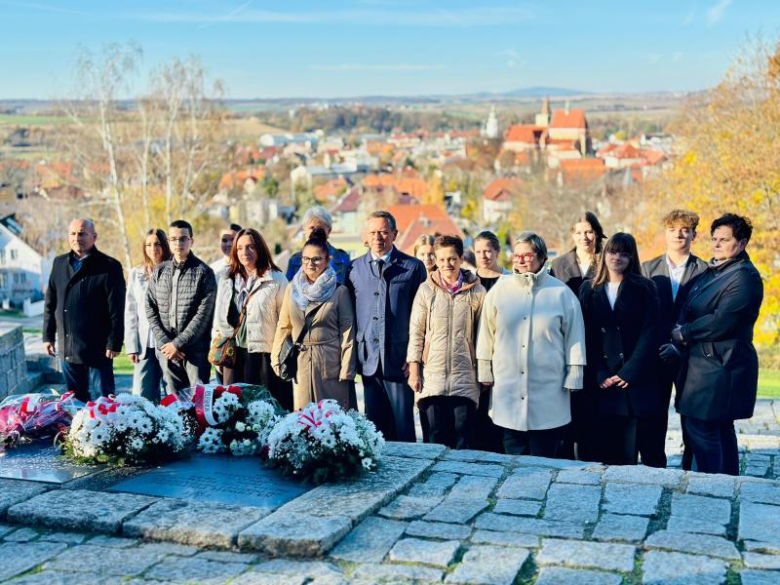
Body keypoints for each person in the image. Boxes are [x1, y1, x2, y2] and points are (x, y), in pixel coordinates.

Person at [477, 231, 586, 457]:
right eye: (516, 256)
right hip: (508, 387)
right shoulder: (500, 290)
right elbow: (486, 333)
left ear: (541, 257)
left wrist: (575, 372)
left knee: (544, 457)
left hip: (548, 389)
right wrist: (484, 369)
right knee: (511, 456)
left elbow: (574, 336)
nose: (520, 260)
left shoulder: (561, 294)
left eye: (526, 255)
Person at [670, 213, 763, 475]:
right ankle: (726, 486)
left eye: (725, 239)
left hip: (720, 366)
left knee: (705, 431)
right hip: (705, 365)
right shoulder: (714, 272)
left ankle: (713, 490)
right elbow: (690, 307)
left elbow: (722, 321)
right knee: (714, 430)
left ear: (742, 243)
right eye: (714, 239)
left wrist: (683, 332)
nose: (717, 244)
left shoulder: (744, 277)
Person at [580, 233, 661, 465]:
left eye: (624, 254)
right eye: (613, 252)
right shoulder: (589, 289)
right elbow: (586, 335)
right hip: (601, 381)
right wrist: (600, 373)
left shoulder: (646, 288)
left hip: (632, 381)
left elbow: (650, 332)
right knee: (599, 451)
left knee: (628, 451)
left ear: (632, 257)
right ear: (604, 254)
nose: (617, 258)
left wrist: (629, 372)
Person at [347, 210, 427, 442]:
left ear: (394, 234)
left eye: (383, 232)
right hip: (369, 360)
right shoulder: (354, 269)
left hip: (399, 360)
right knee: (374, 429)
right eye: (373, 232)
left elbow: (422, 317)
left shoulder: (412, 267)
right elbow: (349, 315)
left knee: (404, 429)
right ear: (365, 235)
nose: (378, 237)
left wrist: (414, 359)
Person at [640, 210, 708, 468]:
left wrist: (680, 346)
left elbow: (705, 314)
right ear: (665, 233)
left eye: (684, 230)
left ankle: (690, 465)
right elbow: (642, 315)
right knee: (653, 414)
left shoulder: (704, 271)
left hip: (690, 356)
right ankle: (653, 465)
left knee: (690, 414)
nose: (678, 234)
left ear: (693, 234)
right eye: (672, 229)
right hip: (655, 354)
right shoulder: (647, 269)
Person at [407, 235, 486, 449]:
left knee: (463, 436)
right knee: (436, 437)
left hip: (465, 376)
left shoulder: (477, 292)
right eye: (441, 260)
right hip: (432, 376)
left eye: (451, 259)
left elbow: (484, 336)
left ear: (461, 258)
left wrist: (484, 371)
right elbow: (416, 332)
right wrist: (414, 370)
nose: (446, 265)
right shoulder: (426, 290)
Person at [272, 228, 356, 410]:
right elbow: (283, 325)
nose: (310, 264)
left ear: (327, 261)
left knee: (331, 421)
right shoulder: (292, 289)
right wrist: (275, 357)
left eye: (316, 259)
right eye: (306, 259)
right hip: (300, 363)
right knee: (303, 421)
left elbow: (347, 333)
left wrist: (347, 369)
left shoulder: (339, 291)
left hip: (330, 364)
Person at [43, 219, 126, 402]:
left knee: (105, 401)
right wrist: (48, 336)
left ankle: (107, 431)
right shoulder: (58, 263)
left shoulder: (110, 266)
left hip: (99, 348)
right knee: (75, 402)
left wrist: (114, 342)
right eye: (72, 233)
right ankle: (80, 431)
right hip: (68, 346)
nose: (76, 238)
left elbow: (117, 309)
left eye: (82, 233)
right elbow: (50, 303)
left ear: (94, 237)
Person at [213, 228, 292, 408]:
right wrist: (217, 348)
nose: (244, 252)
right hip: (233, 355)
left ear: (260, 249)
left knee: (266, 409)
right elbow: (218, 318)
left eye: (250, 247)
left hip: (264, 355)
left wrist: (279, 354)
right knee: (234, 411)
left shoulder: (276, 278)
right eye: (240, 248)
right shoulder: (227, 278)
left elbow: (286, 321)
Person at [549, 211, 606, 461]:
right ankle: (563, 457)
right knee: (566, 404)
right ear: (573, 235)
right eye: (579, 232)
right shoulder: (559, 264)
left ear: (597, 233)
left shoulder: (606, 261)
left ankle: (592, 456)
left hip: (599, 342)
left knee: (593, 408)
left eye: (589, 231)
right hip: (566, 343)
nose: (584, 237)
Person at [146, 219, 217, 393]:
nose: (179, 243)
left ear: (191, 241)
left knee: (199, 402)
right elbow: (150, 308)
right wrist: (167, 344)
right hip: (167, 351)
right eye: (174, 239)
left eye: (183, 238)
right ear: (168, 242)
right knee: (173, 406)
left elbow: (203, 315)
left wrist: (178, 344)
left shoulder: (204, 272)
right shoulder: (160, 271)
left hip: (195, 352)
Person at [472, 230, 510, 453]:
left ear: (497, 251)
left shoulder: (509, 281)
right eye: (478, 251)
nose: (483, 255)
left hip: (500, 353)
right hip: (473, 352)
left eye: (488, 250)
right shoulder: (468, 280)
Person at [125, 229, 172, 403]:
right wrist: (131, 345)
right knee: (142, 395)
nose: (154, 248)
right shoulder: (136, 273)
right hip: (145, 345)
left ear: (165, 245)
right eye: (149, 244)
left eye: (158, 244)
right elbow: (130, 311)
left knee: (172, 395)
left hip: (168, 344)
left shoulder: (175, 270)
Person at [286, 206, 351, 283]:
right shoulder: (295, 260)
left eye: (320, 227)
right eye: (312, 228)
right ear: (305, 230)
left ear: (329, 230)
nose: (315, 231)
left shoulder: (342, 258)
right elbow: (289, 290)